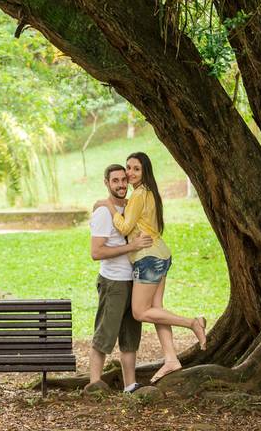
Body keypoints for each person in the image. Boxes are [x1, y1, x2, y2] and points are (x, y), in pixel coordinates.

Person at [102, 152, 207, 384]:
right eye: (128, 168)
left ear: (144, 171)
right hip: (161, 254)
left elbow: (124, 226)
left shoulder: (139, 194)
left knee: (140, 312)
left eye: (135, 169)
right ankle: (171, 359)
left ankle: (192, 323)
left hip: (148, 259)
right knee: (157, 309)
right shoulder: (149, 192)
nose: (129, 173)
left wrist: (110, 207)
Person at [85, 164, 154, 394]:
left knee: (130, 337)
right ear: (107, 183)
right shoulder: (104, 212)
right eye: (115, 181)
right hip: (113, 282)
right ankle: (94, 384)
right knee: (104, 334)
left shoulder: (132, 206)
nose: (121, 185)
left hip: (135, 281)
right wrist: (131, 247)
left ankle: (130, 385)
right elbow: (96, 252)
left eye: (124, 180)